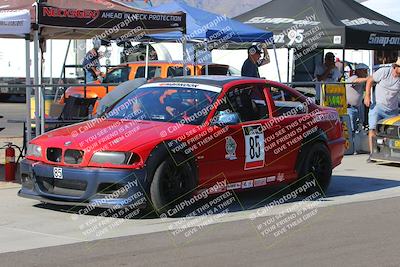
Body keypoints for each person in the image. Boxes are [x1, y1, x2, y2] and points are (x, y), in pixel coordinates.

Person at [364, 57, 400, 162]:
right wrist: (367, 96)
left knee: (391, 133)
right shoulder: (384, 72)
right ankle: (372, 154)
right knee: (372, 129)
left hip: (392, 110)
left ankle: (390, 154)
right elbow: (370, 79)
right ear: (396, 67)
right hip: (378, 106)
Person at [346, 63, 369, 132]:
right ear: (359, 71)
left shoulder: (361, 80)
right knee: (351, 129)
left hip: (358, 107)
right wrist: (367, 79)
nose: (366, 73)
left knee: (358, 128)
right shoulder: (354, 77)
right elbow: (354, 82)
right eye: (364, 71)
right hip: (350, 108)